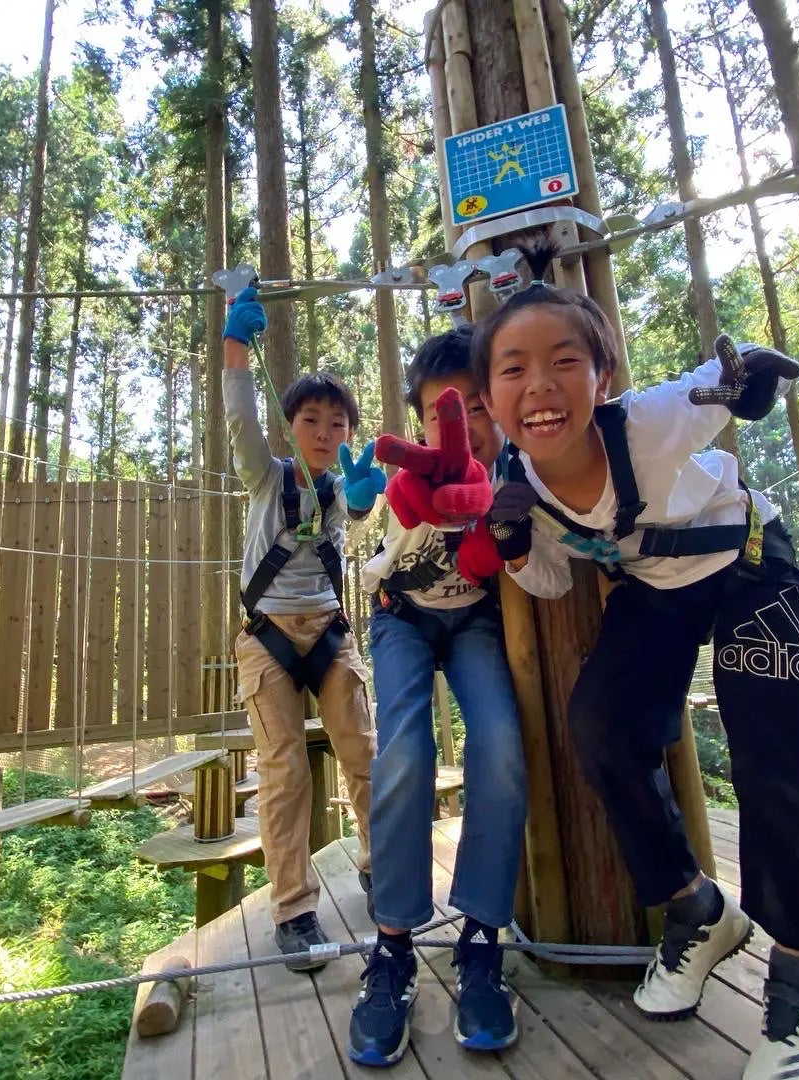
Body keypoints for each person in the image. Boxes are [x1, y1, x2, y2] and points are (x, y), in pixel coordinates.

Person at [472, 243, 799, 1080]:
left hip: (751, 561)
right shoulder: (515, 478)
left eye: (565, 362)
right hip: (658, 585)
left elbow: (720, 389)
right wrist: (507, 537)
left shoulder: (645, 419)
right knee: (599, 726)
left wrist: (747, 380)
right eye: (513, 369)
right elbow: (547, 573)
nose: (539, 386)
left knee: (768, 761)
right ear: (491, 397)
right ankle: (696, 909)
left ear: (602, 377)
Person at [346, 325, 526, 1066]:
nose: (462, 425)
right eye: (441, 411)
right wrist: (364, 494)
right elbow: (364, 515)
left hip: (479, 620)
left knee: (502, 748)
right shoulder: (407, 480)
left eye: (477, 405)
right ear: (421, 423)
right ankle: (393, 949)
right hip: (403, 622)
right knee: (405, 755)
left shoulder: (521, 470)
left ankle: (482, 941)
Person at [222, 286, 386, 970]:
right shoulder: (267, 476)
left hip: (329, 632)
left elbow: (359, 510)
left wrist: (360, 500)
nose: (324, 433)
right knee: (285, 773)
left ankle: (384, 871)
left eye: (337, 423)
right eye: (311, 420)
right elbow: (240, 421)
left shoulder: (348, 483)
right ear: (291, 428)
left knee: (366, 755)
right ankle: (293, 910)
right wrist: (235, 346)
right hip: (266, 638)